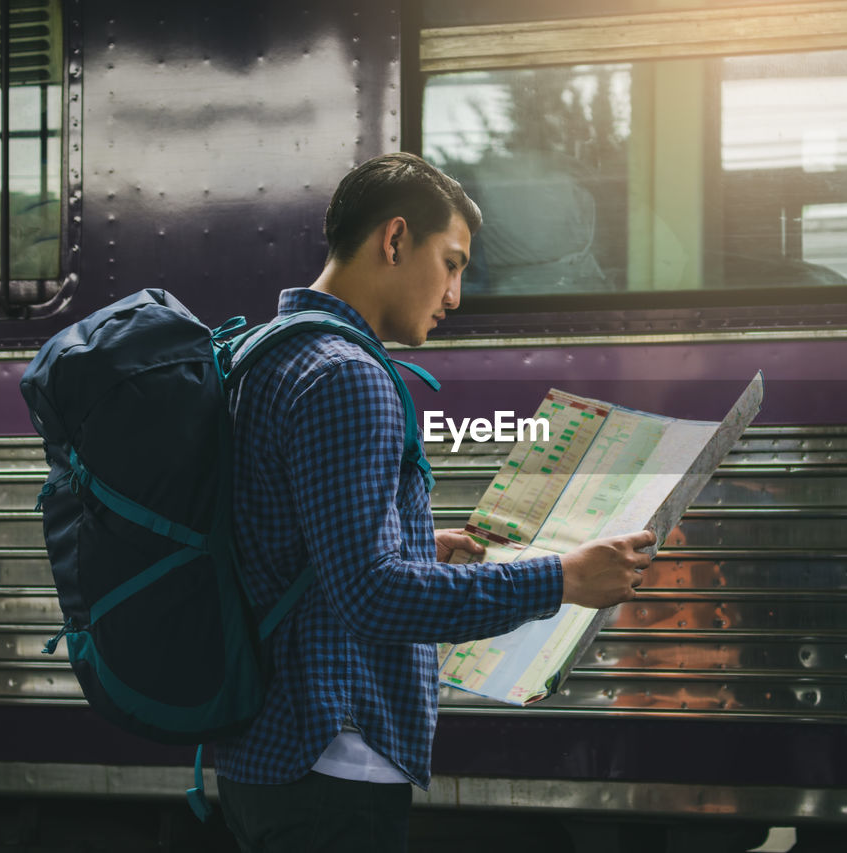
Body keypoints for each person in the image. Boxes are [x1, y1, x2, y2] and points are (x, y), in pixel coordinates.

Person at [213, 152, 655, 852]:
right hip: (333, 759)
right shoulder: (347, 376)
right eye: (450, 264)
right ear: (394, 241)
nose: (455, 296)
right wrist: (563, 578)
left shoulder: (270, 352)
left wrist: (419, 542)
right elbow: (373, 595)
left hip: (270, 752)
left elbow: (288, 536)